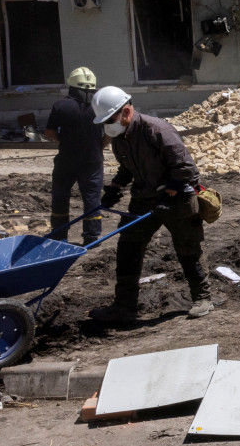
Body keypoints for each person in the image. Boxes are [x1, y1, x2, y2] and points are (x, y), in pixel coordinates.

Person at [88, 86, 213, 323]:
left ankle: (203, 298)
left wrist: (169, 195)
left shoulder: (158, 130)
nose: (107, 125)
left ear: (126, 112)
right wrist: (115, 187)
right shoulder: (120, 137)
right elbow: (127, 167)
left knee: (189, 249)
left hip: (177, 199)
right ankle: (124, 307)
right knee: (128, 248)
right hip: (144, 199)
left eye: (109, 119)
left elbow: (186, 168)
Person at [43, 67, 104, 245]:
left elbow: (49, 132)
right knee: (92, 198)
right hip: (92, 160)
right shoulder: (100, 105)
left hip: (67, 160)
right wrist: (99, 146)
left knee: (61, 196)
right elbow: (109, 132)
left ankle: (59, 235)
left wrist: (64, 140)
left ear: (71, 83)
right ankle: (92, 238)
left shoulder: (60, 105)